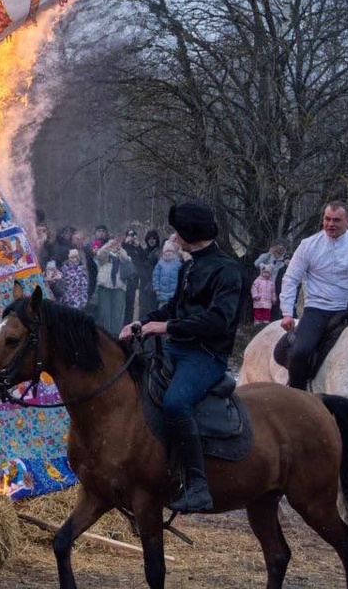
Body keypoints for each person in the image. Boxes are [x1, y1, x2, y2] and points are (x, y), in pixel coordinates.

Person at [120, 200, 242, 513]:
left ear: (190, 232)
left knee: (175, 402)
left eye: (177, 231)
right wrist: (142, 322)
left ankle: (198, 485)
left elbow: (219, 320)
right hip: (176, 348)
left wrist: (167, 327)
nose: (173, 236)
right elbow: (174, 307)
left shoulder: (228, 270)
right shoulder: (189, 266)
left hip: (206, 356)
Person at [279, 202, 348, 391]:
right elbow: (291, 278)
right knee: (299, 353)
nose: (330, 224)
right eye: (327, 219)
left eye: (336, 220)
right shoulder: (308, 245)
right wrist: (287, 312)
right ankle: (297, 395)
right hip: (316, 310)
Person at [152, 240, 182, 306]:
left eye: (170, 251)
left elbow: (181, 277)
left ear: (174, 252)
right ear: (163, 252)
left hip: (174, 294)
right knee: (162, 309)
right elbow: (155, 277)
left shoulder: (178, 264)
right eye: (166, 251)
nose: (168, 253)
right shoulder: (160, 264)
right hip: (162, 294)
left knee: (174, 309)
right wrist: (156, 289)